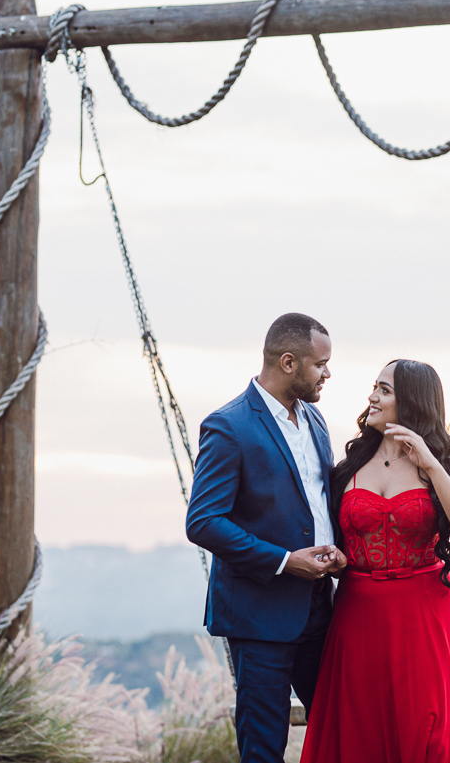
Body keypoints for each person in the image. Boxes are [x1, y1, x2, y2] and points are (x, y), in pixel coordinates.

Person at [301, 359, 450, 763]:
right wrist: (335, 558)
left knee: (428, 731)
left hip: (423, 618)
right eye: (375, 387)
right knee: (360, 733)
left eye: (384, 390)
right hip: (358, 616)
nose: (372, 397)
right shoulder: (348, 470)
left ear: (412, 403)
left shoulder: (437, 469)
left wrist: (429, 462)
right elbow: (334, 540)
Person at [186, 313, 348, 763]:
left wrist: (336, 548)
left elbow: (317, 503)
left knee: (341, 732)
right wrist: (284, 560)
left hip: (319, 607)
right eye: (321, 364)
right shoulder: (229, 426)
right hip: (258, 617)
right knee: (263, 748)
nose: (328, 374)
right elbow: (202, 521)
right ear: (290, 362)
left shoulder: (315, 421)